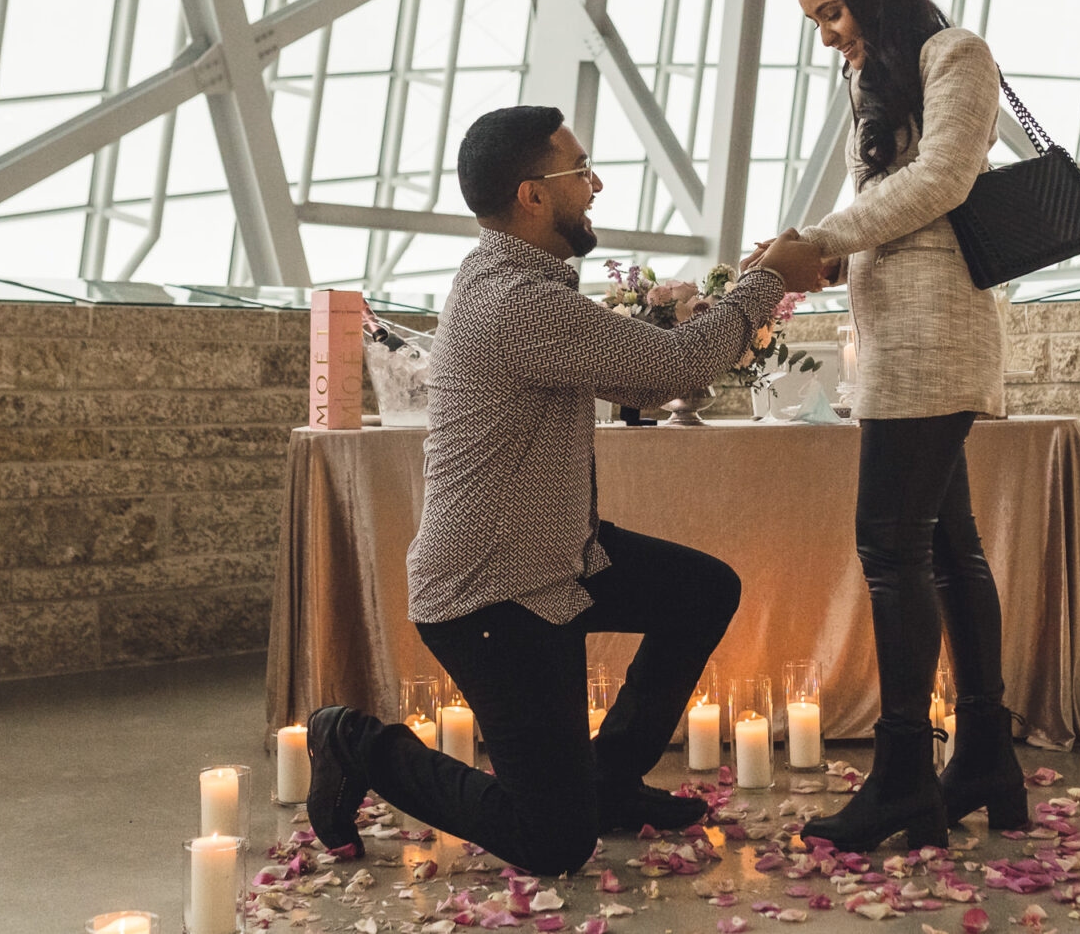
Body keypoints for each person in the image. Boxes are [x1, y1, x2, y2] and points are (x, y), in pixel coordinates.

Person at [304, 105, 824, 875]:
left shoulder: (512, 279)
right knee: (552, 842)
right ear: (533, 195)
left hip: (557, 557)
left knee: (701, 591)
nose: (596, 183)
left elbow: (640, 377)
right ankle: (353, 741)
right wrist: (767, 280)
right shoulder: (519, 301)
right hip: (492, 593)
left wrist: (736, 299)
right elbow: (677, 368)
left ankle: (608, 780)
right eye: (580, 170)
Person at [767, 0, 1028, 851]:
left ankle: (906, 775)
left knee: (890, 545)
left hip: (933, 341)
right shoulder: (876, 83)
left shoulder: (955, 55)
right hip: (897, 343)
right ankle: (987, 755)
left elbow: (942, 180)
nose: (828, 35)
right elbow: (895, 211)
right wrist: (829, 259)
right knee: (947, 547)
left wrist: (820, 238)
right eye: (816, 21)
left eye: (833, 12)